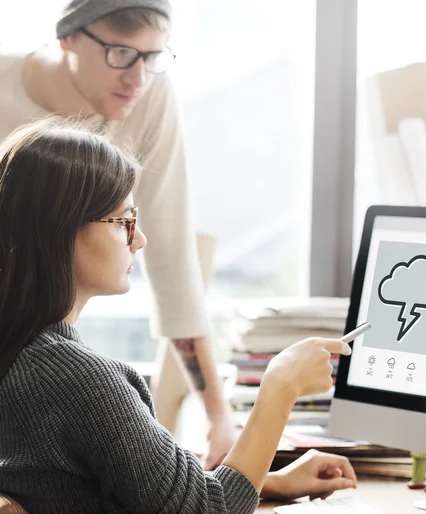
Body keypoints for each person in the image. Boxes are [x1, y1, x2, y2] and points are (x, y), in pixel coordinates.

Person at [0, 118, 357, 513]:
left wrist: (265, 483)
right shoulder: (78, 380)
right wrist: (281, 387)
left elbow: (107, 489)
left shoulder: (22, 357)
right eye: (124, 222)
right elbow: (208, 510)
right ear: (61, 231)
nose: (140, 239)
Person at [0, 0, 236, 468]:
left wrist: (218, 417)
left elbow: (170, 258)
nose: (138, 78)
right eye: (121, 53)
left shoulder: (150, 95)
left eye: (153, 57)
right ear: (67, 37)